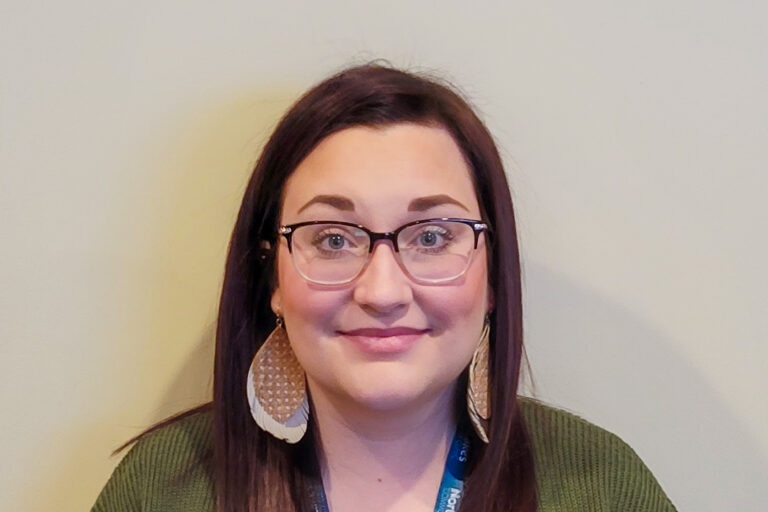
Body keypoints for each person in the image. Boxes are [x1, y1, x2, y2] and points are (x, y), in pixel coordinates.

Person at [91, 63, 677, 512]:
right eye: (333, 239)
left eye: (432, 237)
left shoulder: (601, 486)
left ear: (493, 275)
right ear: (273, 277)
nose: (382, 292)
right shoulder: (164, 487)